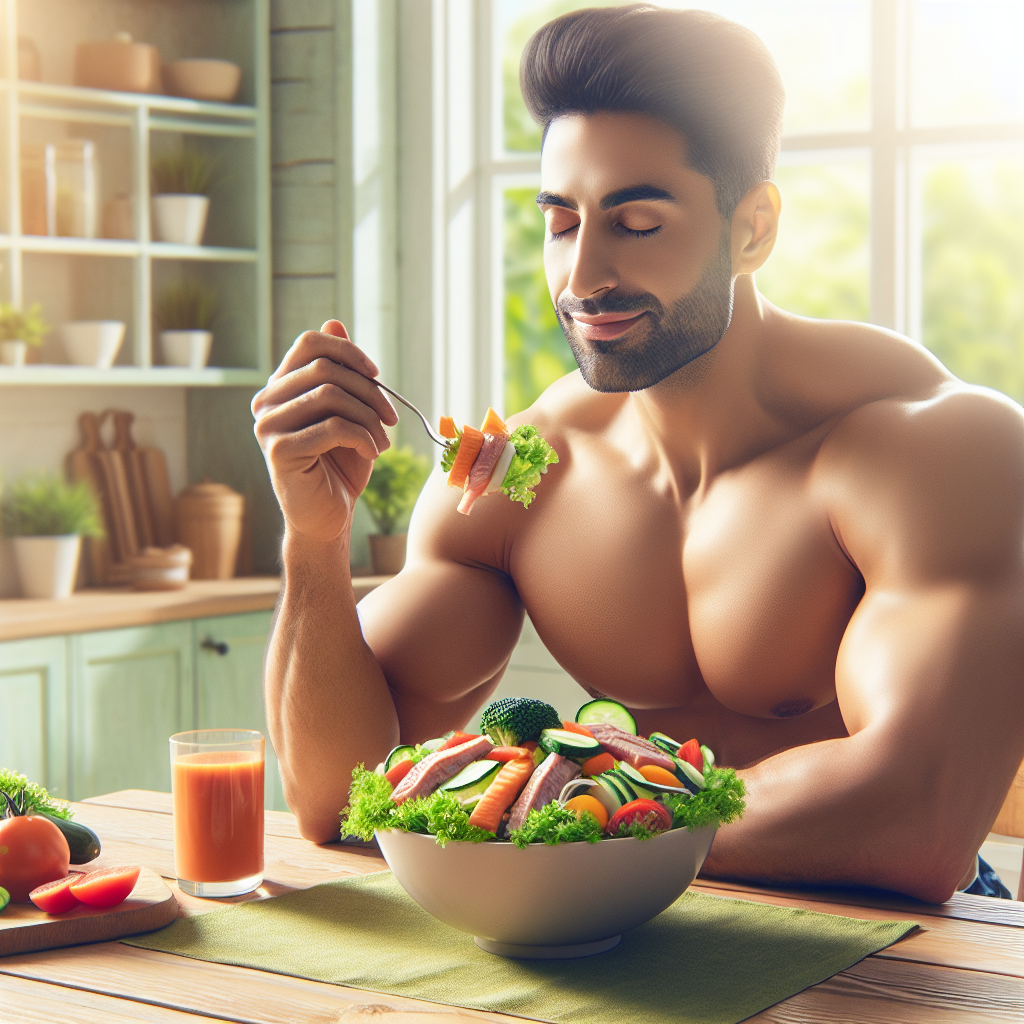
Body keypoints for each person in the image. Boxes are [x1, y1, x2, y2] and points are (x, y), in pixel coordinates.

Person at [252, 5, 1024, 902]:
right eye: (562, 222)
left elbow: (914, 823)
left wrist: (578, 819)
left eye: (638, 223)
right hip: (632, 917)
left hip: (887, 942)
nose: (581, 279)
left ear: (752, 230)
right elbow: (341, 798)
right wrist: (312, 541)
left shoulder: (932, 448)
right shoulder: (531, 472)